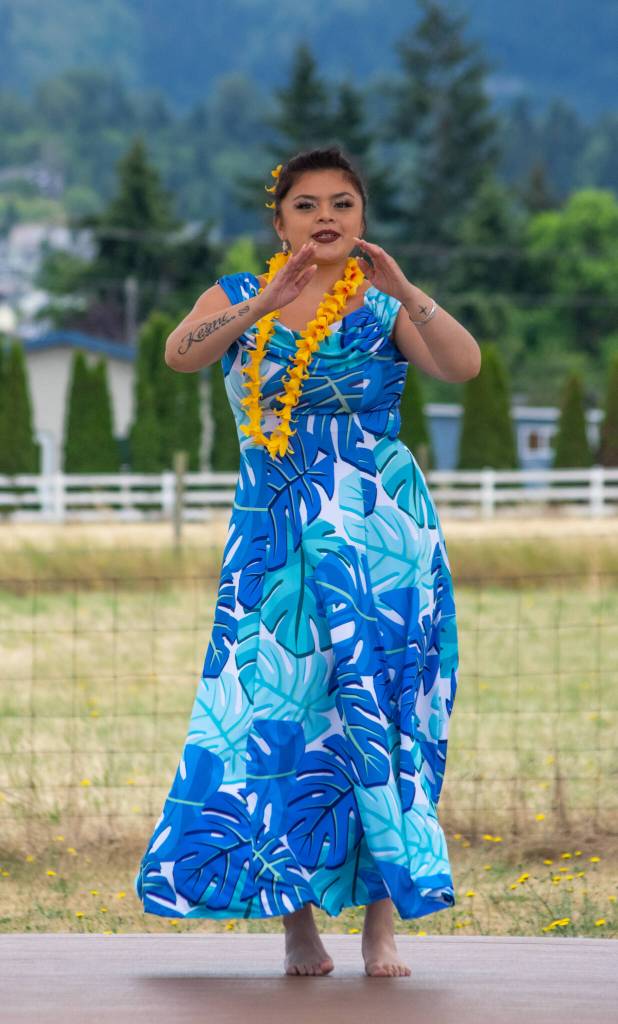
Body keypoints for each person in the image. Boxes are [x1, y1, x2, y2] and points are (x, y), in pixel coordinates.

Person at [134, 146, 481, 977]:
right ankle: (297, 924)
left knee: (381, 717)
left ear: (362, 221)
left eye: (344, 205)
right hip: (275, 531)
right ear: (279, 219)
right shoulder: (235, 296)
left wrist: (405, 293)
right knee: (280, 718)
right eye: (306, 205)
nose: (326, 217)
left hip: (379, 537)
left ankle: (383, 926)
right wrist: (263, 307)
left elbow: (462, 367)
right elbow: (182, 354)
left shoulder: (379, 303)